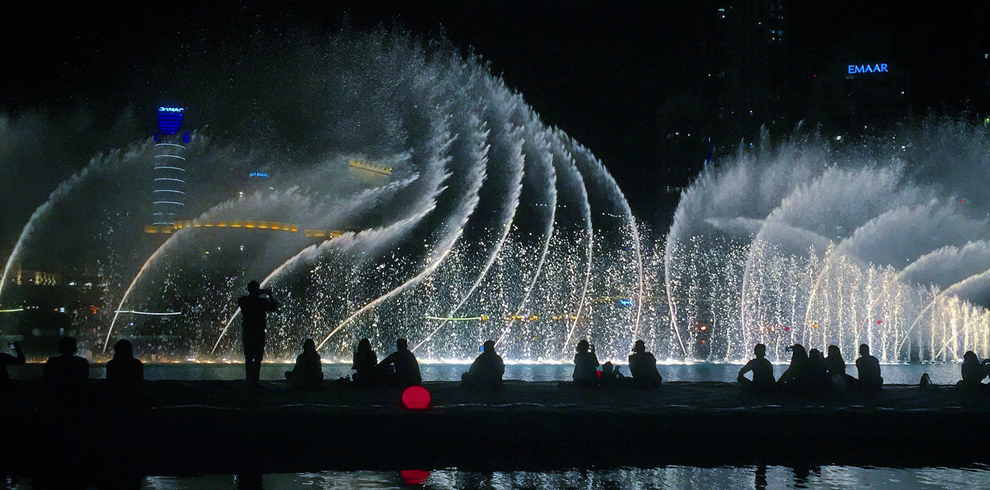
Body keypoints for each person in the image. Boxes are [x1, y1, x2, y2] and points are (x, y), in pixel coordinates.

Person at [237, 280, 278, 387]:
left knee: (250, 356)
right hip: (257, 331)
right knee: (256, 357)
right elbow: (273, 307)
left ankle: (250, 379)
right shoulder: (261, 302)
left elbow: (273, 308)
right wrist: (268, 295)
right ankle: (254, 379)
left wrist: (259, 294)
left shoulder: (245, 300)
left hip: (249, 331)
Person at [43, 336, 90, 406]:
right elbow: (84, 379)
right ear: (74, 348)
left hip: (56, 399)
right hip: (76, 398)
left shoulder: (53, 362)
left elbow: (46, 379)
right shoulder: (81, 362)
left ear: (60, 348)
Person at [106, 339, 144, 405]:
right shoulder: (137, 364)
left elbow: (109, 382)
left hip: (115, 400)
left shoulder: (112, 365)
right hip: (135, 400)